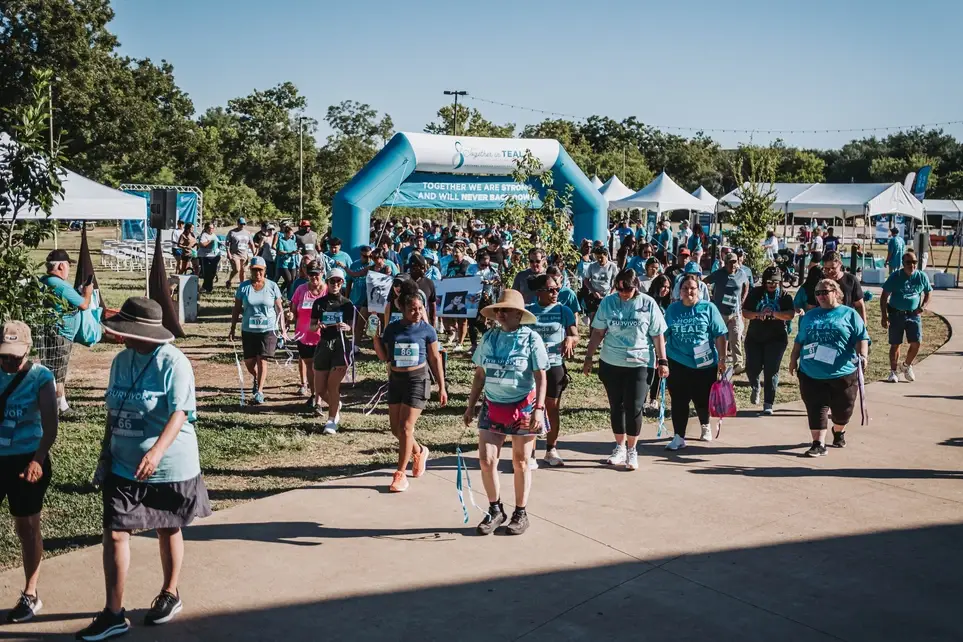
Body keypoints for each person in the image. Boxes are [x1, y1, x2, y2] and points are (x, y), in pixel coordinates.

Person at [76, 297, 211, 640]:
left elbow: (180, 413)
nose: (123, 337)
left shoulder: (174, 362)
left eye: (128, 331)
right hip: (123, 465)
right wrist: (105, 453)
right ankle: (114, 612)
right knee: (116, 532)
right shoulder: (120, 361)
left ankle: (170, 592)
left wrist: (155, 452)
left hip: (169, 465)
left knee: (167, 528)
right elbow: (114, 409)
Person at [464, 290, 548, 536]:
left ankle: (521, 513)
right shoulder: (489, 337)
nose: (499, 313)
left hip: (524, 407)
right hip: (492, 405)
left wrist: (539, 410)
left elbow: (541, 376)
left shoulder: (531, 339)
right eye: (498, 310)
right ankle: (495, 509)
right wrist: (471, 405)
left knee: (520, 462)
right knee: (486, 460)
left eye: (505, 310)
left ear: (518, 314)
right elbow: (480, 374)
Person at [0, 322, 58, 624]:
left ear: (28, 349)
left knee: (27, 527)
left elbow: (50, 426)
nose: (10, 362)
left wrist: (38, 459)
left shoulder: (40, 377)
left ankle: (30, 593)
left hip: (27, 460)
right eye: (4, 356)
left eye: (15, 357)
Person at [583, 269, 668, 469]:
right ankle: (619, 447)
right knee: (617, 406)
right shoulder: (608, 302)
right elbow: (598, 332)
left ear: (635, 285)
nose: (623, 293)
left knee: (634, 407)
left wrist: (663, 360)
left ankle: (632, 450)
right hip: (611, 361)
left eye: (627, 289)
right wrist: (588, 357)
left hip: (640, 362)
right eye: (619, 289)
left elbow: (657, 335)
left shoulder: (648, 303)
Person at [373, 284, 447, 492]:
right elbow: (384, 356)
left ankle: (400, 474)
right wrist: (374, 338)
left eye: (420, 308)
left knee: (406, 427)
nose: (417, 313)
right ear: (403, 310)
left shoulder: (427, 330)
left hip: (418, 380)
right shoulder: (393, 328)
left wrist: (442, 386)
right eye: (413, 309)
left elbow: (435, 358)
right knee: (396, 429)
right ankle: (420, 450)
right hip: (396, 380)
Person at [789, 278, 869, 456]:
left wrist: (863, 355)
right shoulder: (810, 316)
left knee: (843, 411)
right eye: (818, 293)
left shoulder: (849, 314)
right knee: (816, 407)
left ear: (836, 293)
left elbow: (861, 336)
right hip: (811, 372)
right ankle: (818, 443)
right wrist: (793, 359)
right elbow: (800, 341)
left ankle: (839, 430)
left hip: (843, 372)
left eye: (825, 292)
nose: (821, 296)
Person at [663, 274, 729, 450]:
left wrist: (722, 358)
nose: (689, 291)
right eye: (685, 288)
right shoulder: (672, 310)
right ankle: (679, 436)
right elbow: (662, 334)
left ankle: (705, 425)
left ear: (699, 290)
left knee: (702, 398)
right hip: (677, 361)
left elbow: (720, 334)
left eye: (692, 288)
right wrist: (660, 358)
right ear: (680, 291)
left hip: (704, 363)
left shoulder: (708, 308)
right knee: (679, 399)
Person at [526, 274, 577, 467]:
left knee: (552, 408)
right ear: (539, 292)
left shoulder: (564, 311)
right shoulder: (528, 311)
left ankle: (551, 449)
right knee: (531, 408)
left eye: (557, 289)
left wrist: (571, 339)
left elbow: (575, 333)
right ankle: (530, 453)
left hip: (554, 365)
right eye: (551, 290)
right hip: (532, 367)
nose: (556, 293)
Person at [39, 249, 92, 416]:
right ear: (61, 265)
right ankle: (55, 409)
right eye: (68, 265)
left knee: (53, 370)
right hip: (61, 335)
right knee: (58, 372)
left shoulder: (45, 281)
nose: (69, 269)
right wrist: (87, 293)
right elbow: (83, 304)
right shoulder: (59, 284)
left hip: (50, 331)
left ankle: (62, 405)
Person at [228, 257, 287, 405]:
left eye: (260, 270)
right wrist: (232, 328)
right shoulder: (243, 287)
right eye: (254, 270)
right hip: (249, 329)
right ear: (251, 270)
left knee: (263, 359)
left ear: (265, 270)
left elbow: (279, 309)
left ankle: (259, 391)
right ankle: (255, 376)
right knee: (249, 362)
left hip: (268, 329)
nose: (257, 273)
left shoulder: (272, 286)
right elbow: (236, 309)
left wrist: (283, 329)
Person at [742, 266, 795, 415]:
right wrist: (758, 314)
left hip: (776, 338)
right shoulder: (755, 293)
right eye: (769, 281)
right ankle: (755, 385)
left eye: (776, 282)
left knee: (771, 369)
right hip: (755, 336)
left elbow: (790, 314)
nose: (772, 284)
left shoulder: (784, 296)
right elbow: (745, 312)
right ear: (764, 282)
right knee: (752, 367)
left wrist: (774, 314)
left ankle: (768, 403)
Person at [310, 268, 355, 434]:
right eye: (332, 281)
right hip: (323, 344)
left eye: (339, 281)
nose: (335, 284)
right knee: (320, 389)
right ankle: (336, 405)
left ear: (342, 283)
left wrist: (347, 326)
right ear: (327, 282)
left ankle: (331, 421)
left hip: (341, 345)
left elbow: (352, 327)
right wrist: (318, 326)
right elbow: (312, 325)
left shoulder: (347, 304)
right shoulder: (319, 303)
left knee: (333, 385)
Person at [880, 250, 932, 383]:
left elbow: (928, 292)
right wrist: (884, 316)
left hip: (913, 314)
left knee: (916, 342)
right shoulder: (895, 276)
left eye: (915, 262)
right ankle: (893, 372)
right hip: (896, 314)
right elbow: (884, 296)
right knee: (895, 343)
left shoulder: (921, 276)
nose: (912, 265)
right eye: (909, 262)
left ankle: (906, 365)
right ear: (903, 263)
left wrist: (923, 306)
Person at [704, 252, 750, 373]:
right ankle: (717, 361)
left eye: (734, 262)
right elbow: (705, 281)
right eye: (730, 263)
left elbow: (746, 284)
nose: (733, 265)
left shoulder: (741, 273)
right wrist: (710, 297)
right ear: (725, 263)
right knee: (719, 339)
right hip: (720, 313)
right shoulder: (719, 274)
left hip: (735, 313)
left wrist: (743, 300)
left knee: (736, 338)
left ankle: (738, 364)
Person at [290, 263, 327, 405]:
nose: (313, 277)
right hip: (303, 336)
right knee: (310, 366)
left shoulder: (327, 291)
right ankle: (314, 394)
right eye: (311, 274)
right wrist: (290, 316)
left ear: (322, 273)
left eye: (316, 273)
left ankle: (321, 396)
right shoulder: (301, 289)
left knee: (320, 368)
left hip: (322, 336)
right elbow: (293, 311)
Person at [820, 251, 866, 322]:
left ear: (840, 264)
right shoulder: (820, 280)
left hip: (845, 322)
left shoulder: (851, 280)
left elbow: (859, 305)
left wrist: (863, 326)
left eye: (833, 268)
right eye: (826, 268)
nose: (829, 271)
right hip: (824, 321)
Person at [582, 246, 618, 319]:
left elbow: (617, 281)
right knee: (593, 317)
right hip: (594, 296)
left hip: (607, 295)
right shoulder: (592, 266)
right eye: (597, 257)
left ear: (606, 255)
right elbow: (586, 280)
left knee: (606, 318)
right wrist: (593, 291)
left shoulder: (612, 266)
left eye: (601, 257)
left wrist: (611, 292)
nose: (599, 259)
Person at [225, 218, 254, 289]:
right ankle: (229, 281)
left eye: (244, 224)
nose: (242, 225)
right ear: (237, 224)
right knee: (237, 269)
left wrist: (254, 253)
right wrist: (228, 253)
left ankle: (242, 285)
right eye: (241, 224)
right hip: (235, 254)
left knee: (243, 270)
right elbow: (227, 243)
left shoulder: (247, 233)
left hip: (244, 254)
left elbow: (251, 243)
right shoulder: (232, 232)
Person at [196, 222, 220, 294]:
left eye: (212, 228)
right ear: (206, 228)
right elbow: (201, 244)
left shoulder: (214, 235)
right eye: (210, 228)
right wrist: (209, 242)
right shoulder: (204, 235)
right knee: (207, 273)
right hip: (206, 256)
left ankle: (207, 287)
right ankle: (207, 288)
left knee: (213, 273)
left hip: (215, 256)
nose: (211, 230)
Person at [275, 226, 299, 294]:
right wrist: (289, 252)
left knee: (292, 281)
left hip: (292, 264)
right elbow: (280, 251)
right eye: (290, 234)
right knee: (288, 279)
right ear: (285, 233)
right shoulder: (281, 240)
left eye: (292, 234)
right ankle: (280, 292)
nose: (291, 235)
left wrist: (297, 252)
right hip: (283, 264)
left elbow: (294, 249)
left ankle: (289, 295)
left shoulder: (292, 241)